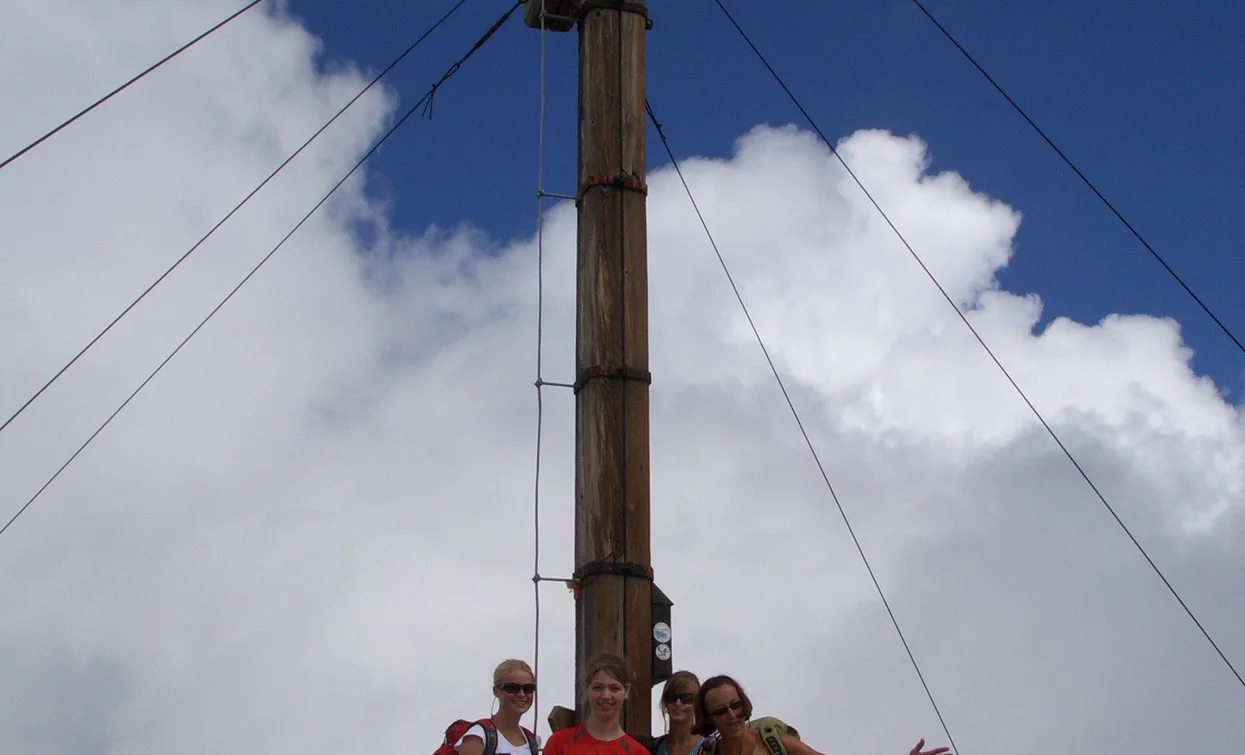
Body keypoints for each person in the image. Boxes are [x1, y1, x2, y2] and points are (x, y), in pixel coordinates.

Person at [694, 675, 950, 755]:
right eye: (721, 711)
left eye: (736, 705)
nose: (732, 714)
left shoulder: (771, 741)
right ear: (710, 719)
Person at [542, 653, 651, 755]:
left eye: (615, 689)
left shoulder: (637, 752)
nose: (606, 696)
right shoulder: (559, 743)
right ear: (586, 689)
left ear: (626, 691)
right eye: (598, 688)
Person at [454, 659, 540, 755]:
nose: (522, 694)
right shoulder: (478, 736)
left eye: (528, 688)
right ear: (496, 691)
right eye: (512, 688)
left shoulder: (533, 741)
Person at [653, 671, 703, 755]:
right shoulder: (654, 747)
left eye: (686, 698)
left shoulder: (711, 748)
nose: (678, 703)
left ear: (697, 703)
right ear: (665, 703)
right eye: (672, 698)